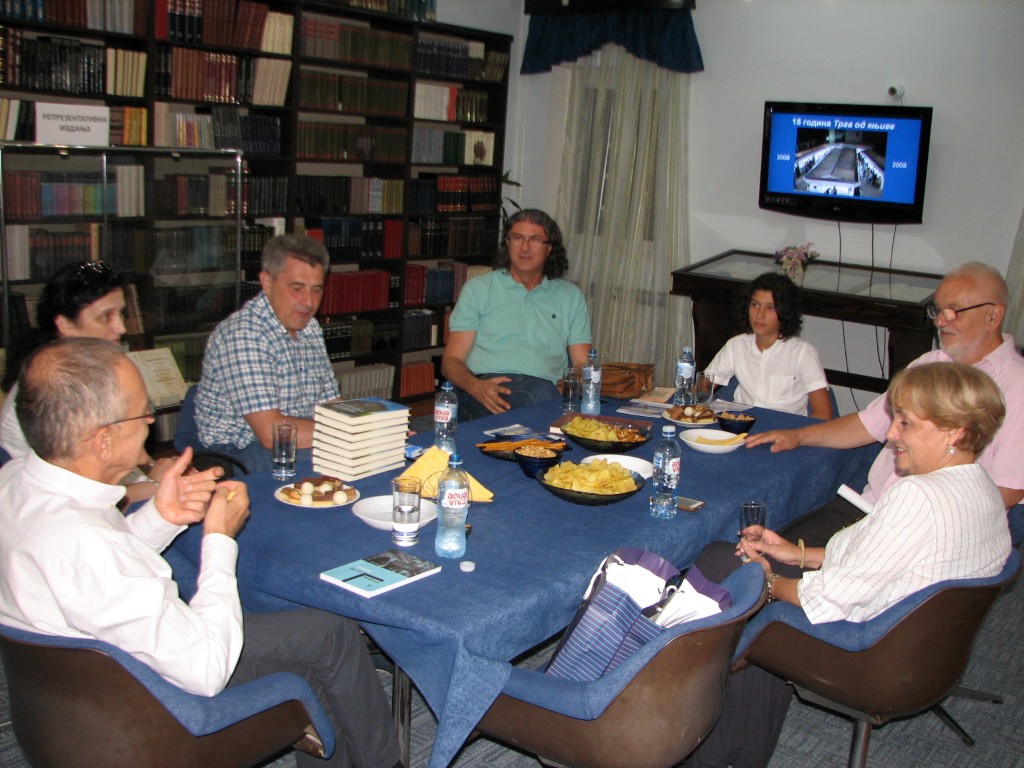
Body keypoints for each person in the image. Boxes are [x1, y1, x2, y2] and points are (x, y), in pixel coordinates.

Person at [0, 338, 403, 768]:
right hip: (151, 713)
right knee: (316, 651)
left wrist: (162, 516)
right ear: (103, 441)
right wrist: (219, 538)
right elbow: (207, 668)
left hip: (72, 701)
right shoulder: (88, 544)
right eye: (143, 412)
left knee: (326, 633)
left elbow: (98, 575)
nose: (152, 421)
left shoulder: (19, 481)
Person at [687, 362, 1012, 768]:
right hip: (919, 653)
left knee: (725, 566)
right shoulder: (981, 488)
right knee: (738, 564)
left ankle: (699, 742)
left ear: (955, 432)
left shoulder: (918, 496)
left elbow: (830, 598)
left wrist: (767, 581)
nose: (891, 435)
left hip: (866, 655)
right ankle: (734, 751)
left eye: (906, 423)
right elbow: (884, 559)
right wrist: (794, 554)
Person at [746, 262, 1024, 544]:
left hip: (927, 531)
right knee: (761, 544)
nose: (941, 321)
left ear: (993, 316)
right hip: (869, 507)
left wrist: (908, 529)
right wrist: (798, 436)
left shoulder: (1017, 386)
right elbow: (866, 425)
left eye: (953, 311)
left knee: (775, 559)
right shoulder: (930, 363)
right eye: (938, 311)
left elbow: (1007, 491)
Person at [0, 260, 175, 501]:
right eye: (105, 317)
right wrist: (157, 484)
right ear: (66, 324)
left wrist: (163, 473)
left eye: (121, 314)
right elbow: (77, 498)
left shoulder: (89, 372)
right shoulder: (51, 390)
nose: (121, 327)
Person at [193, 234, 340, 471]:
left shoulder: (309, 327)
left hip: (297, 439)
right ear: (267, 282)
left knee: (374, 456)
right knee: (337, 465)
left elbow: (331, 403)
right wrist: (348, 433)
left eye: (316, 290)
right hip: (238, 452)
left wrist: (370, 426)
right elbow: (272, 433)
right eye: (297, 288)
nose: (308, 302)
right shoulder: (243, 334)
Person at [441, 209, 592, 420]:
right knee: (542, 399)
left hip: (546, 389)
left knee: (545, 397)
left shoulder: (571, 296)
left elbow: (582, 364)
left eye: (535, 240)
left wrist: (571, 385)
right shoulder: (479, 289)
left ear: (549, 248)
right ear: (507, 244)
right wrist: (475, 387)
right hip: (486, 387)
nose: (525, 248)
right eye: (517, 238)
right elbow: (451, 361)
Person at [704, 271, 832, 419]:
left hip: (785, 428)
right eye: (755, 305)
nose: (759, 315)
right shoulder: (736, 345)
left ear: (785, 312)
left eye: (770, 308)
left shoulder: (802, 353)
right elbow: (703, 388)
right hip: (740, 423)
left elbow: (823, 414)